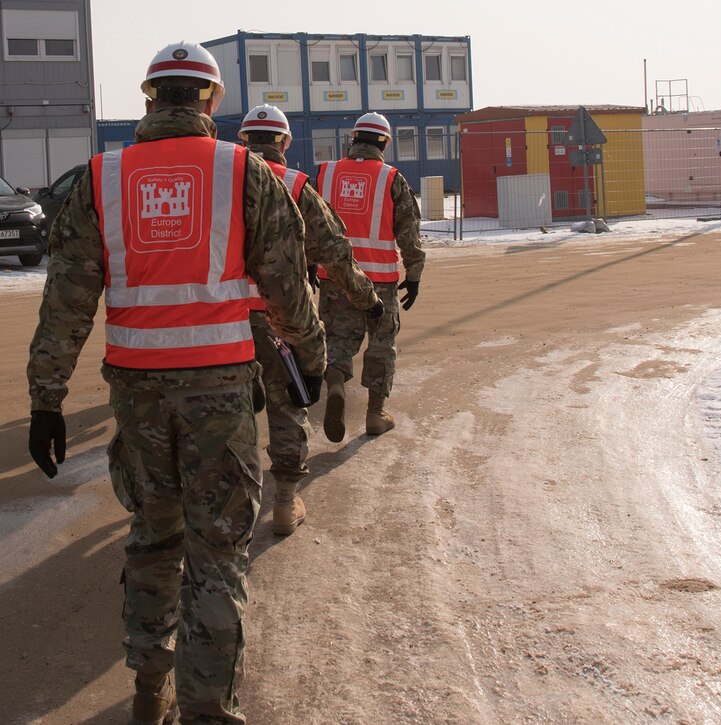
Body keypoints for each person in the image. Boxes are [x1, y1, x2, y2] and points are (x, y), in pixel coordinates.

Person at [26, 42, 325, 724]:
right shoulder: (246, 172)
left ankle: (147, 687)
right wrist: (308, 353)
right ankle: (207, 708)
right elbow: (286, 281)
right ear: (213, 102)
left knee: (153, 538)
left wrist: (47, 399)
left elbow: (66, 303)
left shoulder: (101, 179)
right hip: (220, 394)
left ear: (149, 98)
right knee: (217, 553)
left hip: (136, 397)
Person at [236, 103, 383, 536]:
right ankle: (283, 501)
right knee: (287, 407)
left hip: (222, 322)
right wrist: (367, 299)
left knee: (231, 410)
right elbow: (336, 254)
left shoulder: (219, 180)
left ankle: (231, 498)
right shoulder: (297, 185)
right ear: (284, 142)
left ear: (244, 140)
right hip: (283, 321)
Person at [316, 112, 424, 442]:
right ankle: (375, 414)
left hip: (336, 278)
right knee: (380, 345)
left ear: (353, 139)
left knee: (337, 340)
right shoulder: (391, 178)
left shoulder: (325, 174)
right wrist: (414, 273)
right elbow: (409, 232)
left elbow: (308, 222)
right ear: (384, 143)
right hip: (381, 280)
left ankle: (335, 385)